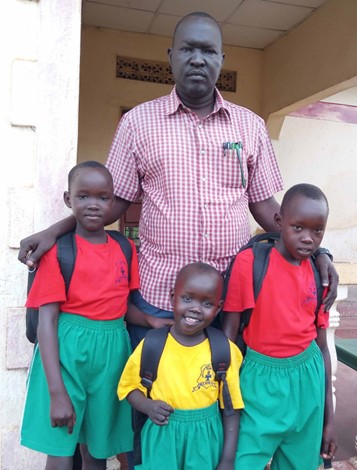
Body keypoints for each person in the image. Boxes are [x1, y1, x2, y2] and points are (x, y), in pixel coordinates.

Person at [18, 12, 338, 348]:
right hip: (159, 296)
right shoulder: (137, 123)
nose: (198, 59)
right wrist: (53, 232)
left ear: (221, 59)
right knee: (151, 392)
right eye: (188, 49)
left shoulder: (251, 126)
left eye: (209, 51)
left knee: (217, 393)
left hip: (227, 301)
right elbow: (112, 203)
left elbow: (266, 207)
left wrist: (316, 250)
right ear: (171, 56)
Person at [20, 161, 139, 469]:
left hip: (112, 354)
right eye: (83, 196)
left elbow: (122, 305)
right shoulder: (59, 250)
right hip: (66, 354)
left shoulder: (125, 247)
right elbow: (47, 321)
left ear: (113, 202)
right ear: (67, 199)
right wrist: (57, 392)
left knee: (97, 451)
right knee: (60, 446)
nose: (93, 205)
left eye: (102, 197)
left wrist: (153, 321)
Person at [222, 183, 337, 470]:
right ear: (279, 222)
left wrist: (329, 419)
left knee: (300, 464)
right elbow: (230, 335)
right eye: (298, 228)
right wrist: (225, 401)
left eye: (317, 231)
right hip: (259, 382)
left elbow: (322, 348)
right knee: (242, 461)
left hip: (307, 383)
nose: (308, 239)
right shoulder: (250, 262)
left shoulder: (318, 272)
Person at [118, 262, 244, 470]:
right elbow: (128, 388)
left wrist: (228, 460)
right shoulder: (152, 344)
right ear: (172, 297)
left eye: (206, 303)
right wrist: (148, 406)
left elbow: (231, 408)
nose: (195, 308)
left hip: (205, 441)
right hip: (162, 438)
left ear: (218, 308)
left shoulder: (223, 350)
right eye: (187, 298)